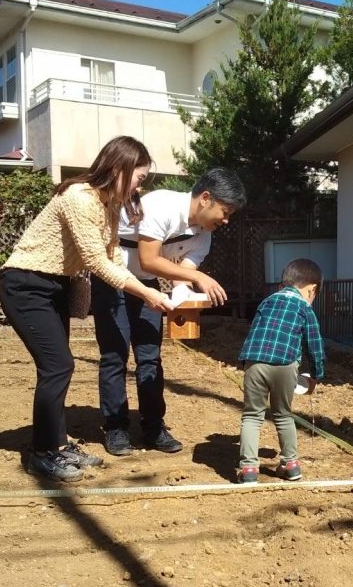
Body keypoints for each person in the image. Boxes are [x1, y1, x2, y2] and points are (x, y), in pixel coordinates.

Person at [0, 136, 173, 483]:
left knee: (57, 367)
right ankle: (43, 454)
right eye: (139, 177)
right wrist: (147, 294)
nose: (141, 185)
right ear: (118, 168)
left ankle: (58, 445)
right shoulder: (79, 197)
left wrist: (146, 292)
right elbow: (95, 260)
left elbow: (111, 258)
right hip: (26, 284)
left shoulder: (109, 205)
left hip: (54, 287)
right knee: (58, 366)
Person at [91, 168, 246, 456]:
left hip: (147, 287)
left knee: (150, 356)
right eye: (224, 212)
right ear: (205, 198)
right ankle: (116, 427)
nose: (225, 220)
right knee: (114, 355)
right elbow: (149, 260)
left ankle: (153, 427)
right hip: (113, 280)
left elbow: (182, 273)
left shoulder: (204, 234)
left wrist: (184, 291)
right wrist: (201, 279)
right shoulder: (162, 205)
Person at [236, 258, 326, 484]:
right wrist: (316, 376)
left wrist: (244, 363)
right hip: (285, 365)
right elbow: (314, 346)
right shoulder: (304, 308)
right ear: (312, 289)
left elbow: (255, 332)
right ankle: (291, 464)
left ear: (282, 286)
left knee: (252, 415)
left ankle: (248, 469)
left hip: (254, 362)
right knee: (283, 414)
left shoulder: (266, 302)